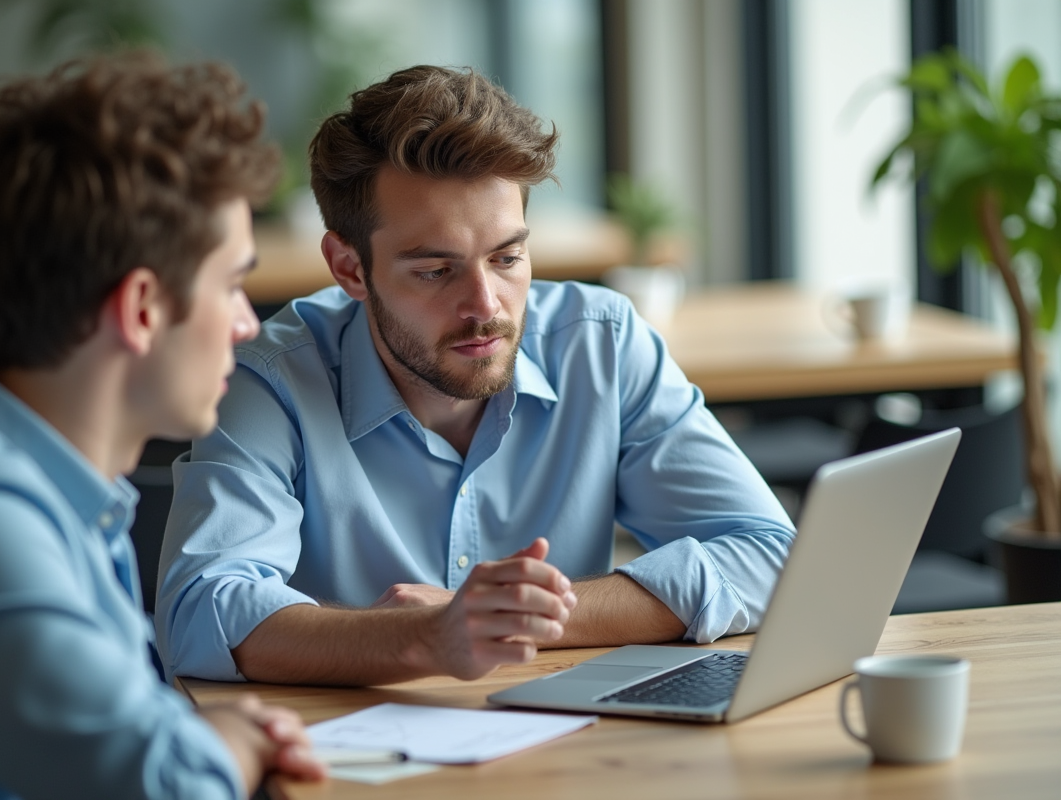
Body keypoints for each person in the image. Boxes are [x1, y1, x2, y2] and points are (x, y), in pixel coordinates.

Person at [156, 65, 797, 687]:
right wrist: (425, 639)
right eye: (435, 271)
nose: (486, 307)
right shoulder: (270, 379)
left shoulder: (600, 344)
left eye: (507, 257)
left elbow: (774, 556)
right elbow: (201, 612)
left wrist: (511, 618)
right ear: (349, 267)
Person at [0, 54, 326, 799]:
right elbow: (165, 787)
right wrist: (222, 743)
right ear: (141, 308)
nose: (246, 325)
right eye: (232, 284)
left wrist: (196, 738)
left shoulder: (59, 492)